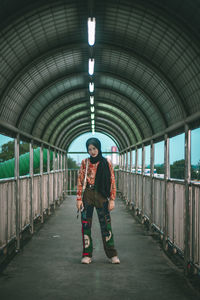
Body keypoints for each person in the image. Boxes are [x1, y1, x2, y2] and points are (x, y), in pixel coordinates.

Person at [76, 137, 120, 264]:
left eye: (94, 148)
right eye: (89, 149)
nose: (92, 151)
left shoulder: (106, 162)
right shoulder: (85, 162)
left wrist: (112, 199)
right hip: (88, 195)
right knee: (86, 225)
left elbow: (112, 180)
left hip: (102, 195)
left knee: (106, 225)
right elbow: (80, 180)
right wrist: (78, 199)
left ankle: (112, 254)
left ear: (98, 148)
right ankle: (87, 255)